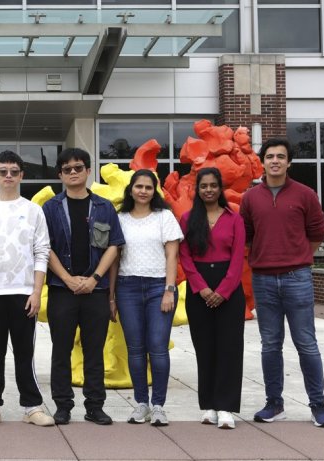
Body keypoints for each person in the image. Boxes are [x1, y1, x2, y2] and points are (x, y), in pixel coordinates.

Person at [240, 138, 324, 428]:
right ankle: (274, 403)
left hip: (298, 279)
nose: (275, 161)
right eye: (270, 156)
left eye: (281, 156)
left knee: (306, 343)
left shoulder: (305, 195)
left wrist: (301, 255)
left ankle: (318, 405)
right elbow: (247, 235)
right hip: (263, 279)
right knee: (270, 345)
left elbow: (317, 232)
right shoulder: (250, 197)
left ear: (289, 162)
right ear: (263, 162)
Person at [0, 150, 54, 427]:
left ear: (21, 175)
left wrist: (36, 292)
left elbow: (42, 252)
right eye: (3, 171)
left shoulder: (33, 211)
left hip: (23, 292)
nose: (8, 176)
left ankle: (32, 406)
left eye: (13, 171)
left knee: (24, 353)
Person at [42, 148, 124, 426]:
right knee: (61, 350)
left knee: (94, 351)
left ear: (89, 171)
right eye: (67, 169)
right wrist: (67, 279)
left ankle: (95, 406)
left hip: (96, 292)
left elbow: (114, 245)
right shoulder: (51, 207)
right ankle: (63, 406)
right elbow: (44, 247)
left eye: (78, 167)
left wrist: (95, 280)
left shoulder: (104, 207)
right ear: (60, 175)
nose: (73, 172)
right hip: (61, 290)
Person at [110, 169, 182, 426]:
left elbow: (172, 256)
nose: (143, 191)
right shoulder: (120, 219)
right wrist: (111, 297)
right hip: (127, 287)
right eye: (138, 186)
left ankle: (159, 405)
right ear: (131, 189)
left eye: (148, 187)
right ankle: (141, 403)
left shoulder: (165, 217)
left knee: (158, 348)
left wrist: (169, 290)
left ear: (155, 191)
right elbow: (114, 260)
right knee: (136, 349)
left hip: (157, 287)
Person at [179, 167, 246, 430]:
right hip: (199, 290)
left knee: (229, 349)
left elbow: (239, 257)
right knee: (204, 348)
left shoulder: (234, 218)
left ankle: (226, 407)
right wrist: (202, 288)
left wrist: (224, 291)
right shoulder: (187, 219)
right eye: (203, 186)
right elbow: (184, 256)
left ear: (220, 188)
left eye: (213, 185)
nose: (208, 190)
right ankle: (208, 405)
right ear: (197, 189)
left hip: (229, 289)